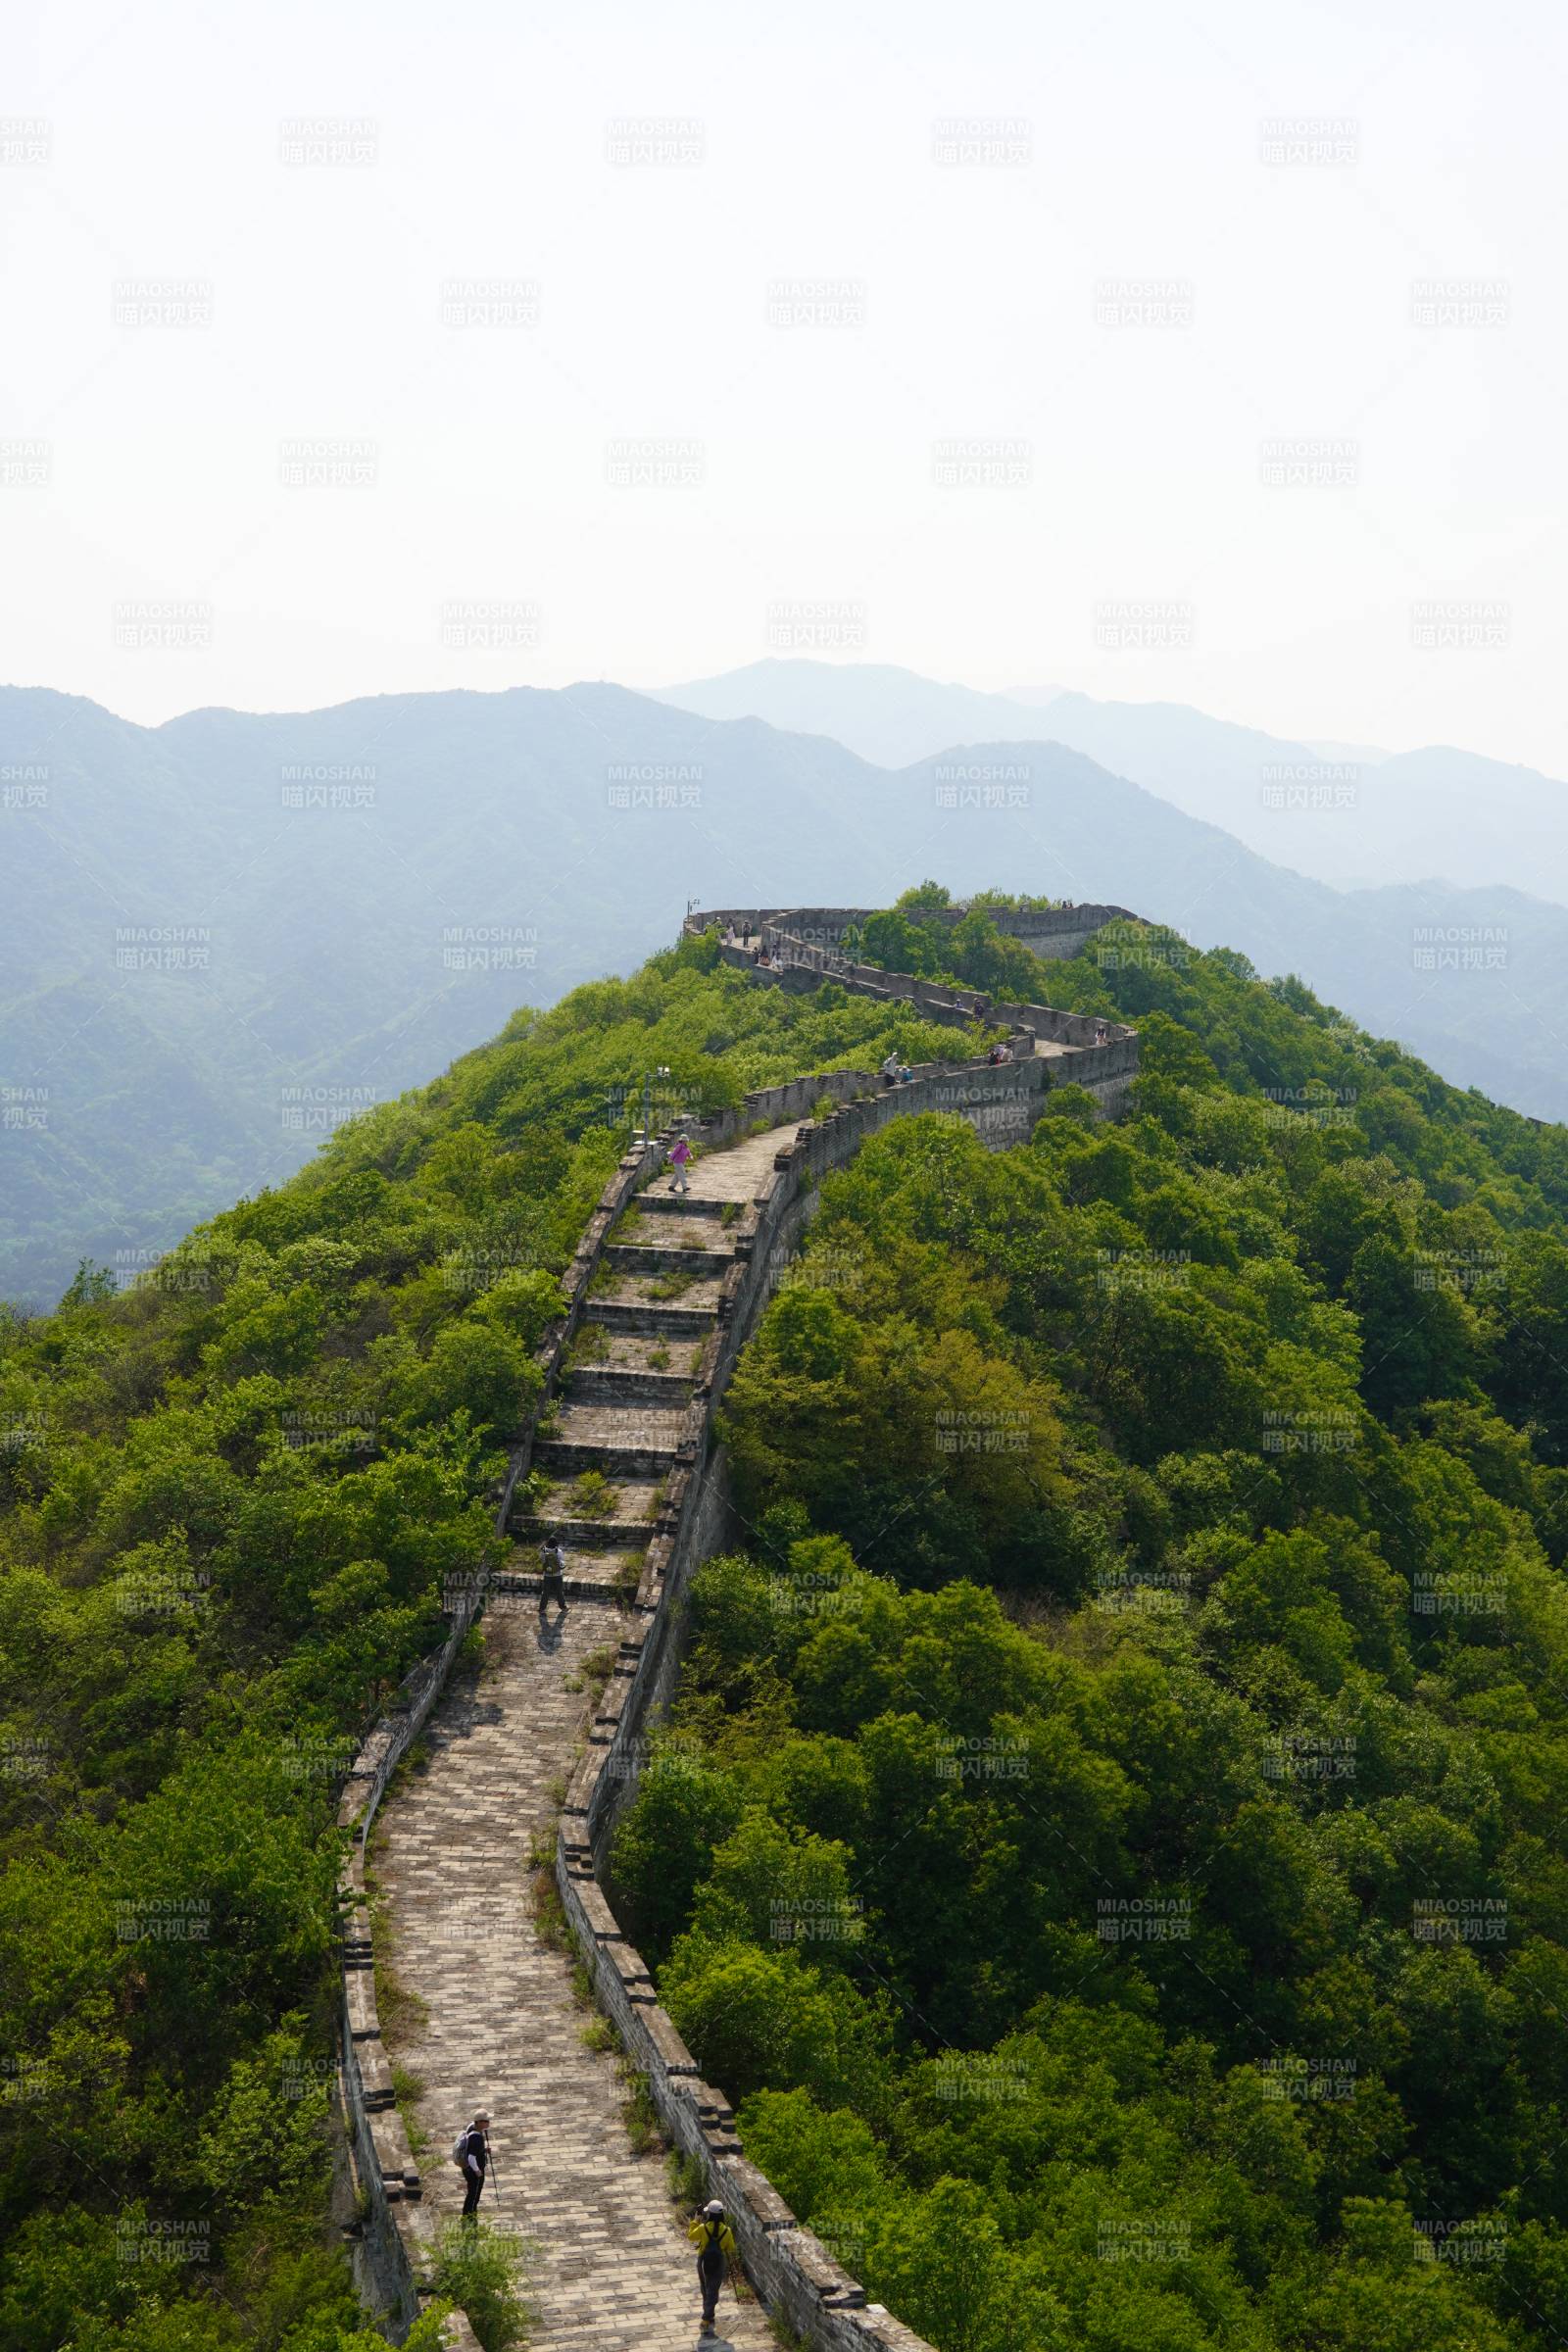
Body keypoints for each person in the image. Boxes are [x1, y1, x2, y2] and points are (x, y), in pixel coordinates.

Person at [688, 2197, 737, 2332]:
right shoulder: (727, 2230)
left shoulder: (703, 2228)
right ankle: (707, 2316)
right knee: (713, 2289)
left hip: (703, 2261)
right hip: (719, 2262)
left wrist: (696, 2220)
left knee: (705, 2287)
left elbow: (691, 2236)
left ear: (709, 2214)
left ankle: (708, 2315)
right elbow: (731, 2247)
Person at [454, 2111, 490, 2224]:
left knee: (472, 2193)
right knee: (474, 2195)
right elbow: (471, 2157)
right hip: (473, 2170)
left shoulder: (472, 2128)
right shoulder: (477, 2138)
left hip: (468, 2169)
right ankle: (469, 2217)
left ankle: (469, 2213)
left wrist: (484, 2150)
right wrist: (478, 2171)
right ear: (479, 2122)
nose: (488, 2123)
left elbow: (472, 2149)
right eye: (486, 2121)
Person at [538, 1535, 566, 1619]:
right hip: (558, 1575)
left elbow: (541, 1560)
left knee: (545, 1592)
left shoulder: (543, 1551)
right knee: (559, 1592)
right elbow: (562, 1563)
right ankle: (563, 1607)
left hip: (547, 1575)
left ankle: (542, 1608)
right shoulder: (559, 1551)